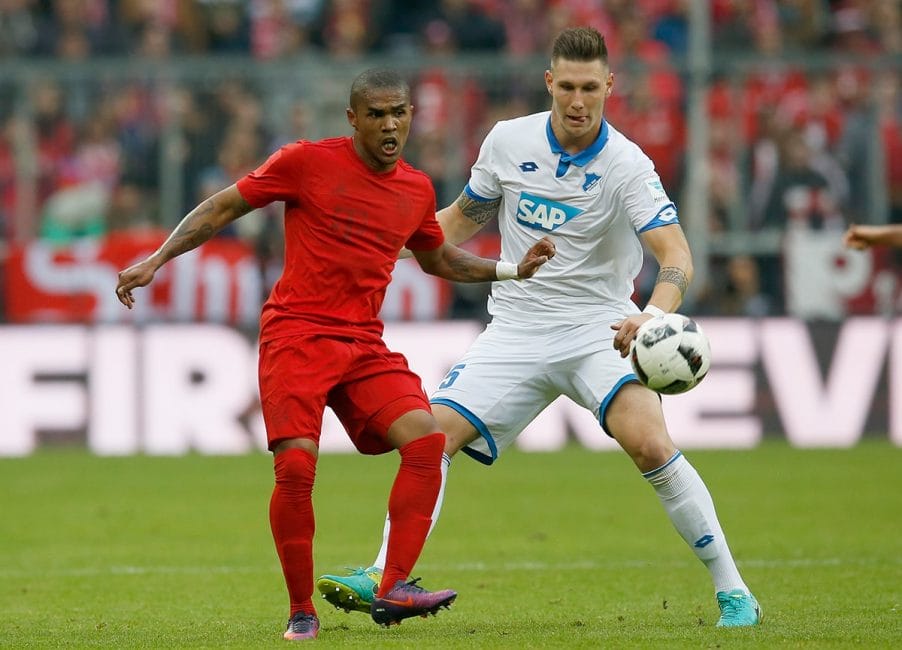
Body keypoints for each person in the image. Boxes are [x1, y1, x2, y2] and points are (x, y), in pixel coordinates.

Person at [315, 28, 762, 628]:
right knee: (429, 440)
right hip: (517, 328)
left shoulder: (627, 164)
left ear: (610, 86)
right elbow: (459, 221)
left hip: (599, 329)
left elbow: (675, 253)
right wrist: (378, 242)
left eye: (590, 89)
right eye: (567, 87)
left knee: (651, 444)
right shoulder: (507, 141)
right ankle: (384, 574)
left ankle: (733, 591)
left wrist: (650, 316)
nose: (578, 102)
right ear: (549, 83)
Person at [114, 68, 555, 642]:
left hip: (362, 343)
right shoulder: (305, 162)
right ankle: (302, 611)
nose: (390, 124)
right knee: (296, 466)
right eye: (376, 114)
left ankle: (393, 584)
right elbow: (221, 208)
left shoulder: (416, 190)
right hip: (296, 334)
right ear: (353, 119)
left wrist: (511, 269)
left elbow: (439, 259)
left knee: (426, 442)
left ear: (412, 116)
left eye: (399, 112)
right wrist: (157, 257)